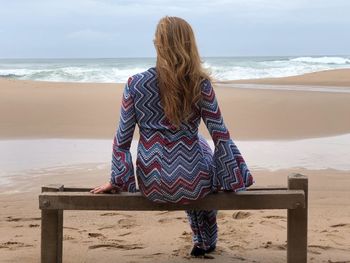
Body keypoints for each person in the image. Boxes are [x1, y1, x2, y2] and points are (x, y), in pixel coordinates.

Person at [91, 16, 254, 257]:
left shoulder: (135, 84)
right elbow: (220, 135)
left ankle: (202, 237)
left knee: (196, 149)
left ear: (157, 43)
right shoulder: (200, 84)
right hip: (194, 180)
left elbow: (122, 140)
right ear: (190, 44)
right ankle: (205, 238)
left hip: (152, 181)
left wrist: (117, 180)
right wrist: (231, 178)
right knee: (201, 147)